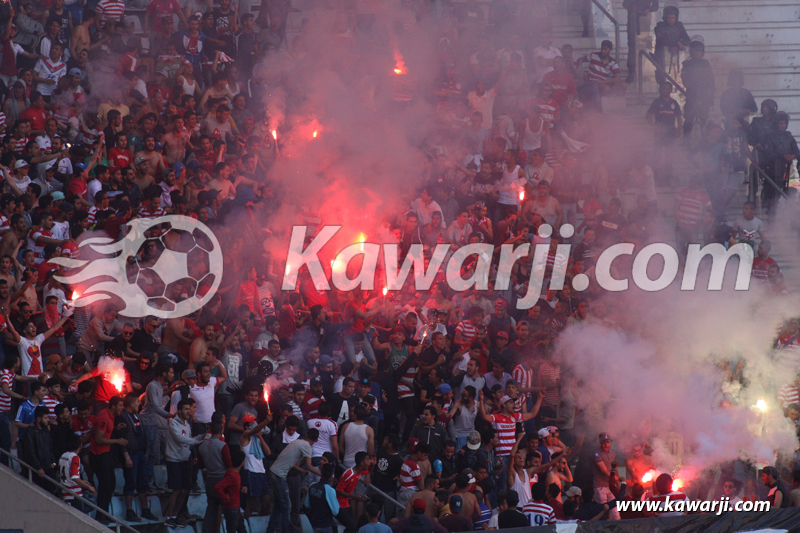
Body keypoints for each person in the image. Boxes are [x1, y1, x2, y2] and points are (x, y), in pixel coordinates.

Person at [267, 428, 321, 533]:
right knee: (287, 505)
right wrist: (322, 474)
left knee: (278, 505)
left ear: (307, 434)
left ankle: (270, 530)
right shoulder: (307, 447)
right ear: (316, 440)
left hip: (273, 472)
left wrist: (302, 471)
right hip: (279, 475)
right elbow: (309, 466)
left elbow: (291, 462)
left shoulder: (296, 442)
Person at [164, 399, 207, 528]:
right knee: (176, 490)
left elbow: (189, 439)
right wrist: (195, 442)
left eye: (190, 409)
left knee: (185, 490)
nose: (189, 412)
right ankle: (169, 517)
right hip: (174, 461)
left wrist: (202, 436)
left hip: (185, 460)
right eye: (186, 409)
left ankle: (176, 515)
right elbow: (180, 438)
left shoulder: (187, 424)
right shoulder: (173, 424)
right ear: (179, 411)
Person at [624, 0, 660, 83]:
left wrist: (648, 10)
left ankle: (641, 73)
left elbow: (655, 6)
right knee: (632, 49)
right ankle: (632, 73)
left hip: (644, 22)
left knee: (642, 48)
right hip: (633, 21)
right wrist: (632, 8)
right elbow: (625, 4)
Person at [214, 449, 248, 533]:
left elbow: (231, 486)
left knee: (241, 529)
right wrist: (226, 499)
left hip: (235, 507)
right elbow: (217, 487)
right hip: (232, 508)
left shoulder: (232, 472)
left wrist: (241, 488)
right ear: (242, 463)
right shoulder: (232, 475)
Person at [308, 462, 341, 533]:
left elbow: (307, 505)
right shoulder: (330, 490)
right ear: (332, 474)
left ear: (321, 472)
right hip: (325, 525)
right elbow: (335, 511)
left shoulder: (312, 485)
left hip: (313, 524)